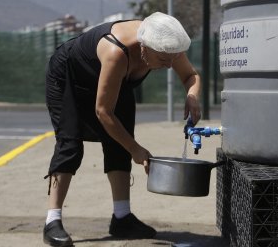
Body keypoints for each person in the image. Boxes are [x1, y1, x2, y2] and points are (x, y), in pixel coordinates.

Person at [43, 12, 201, 246]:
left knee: (119, 141)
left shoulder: (167, 44)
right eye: (163, 60)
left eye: (172, 59)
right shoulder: (117, 51)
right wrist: (135, 149)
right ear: (145, 47)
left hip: (117, 80)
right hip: (70, 77)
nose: (169, 66)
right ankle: (52, 221)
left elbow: (190, 75)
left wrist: (192, 96)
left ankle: (122, 217)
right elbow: (103, 112)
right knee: (70, 144)